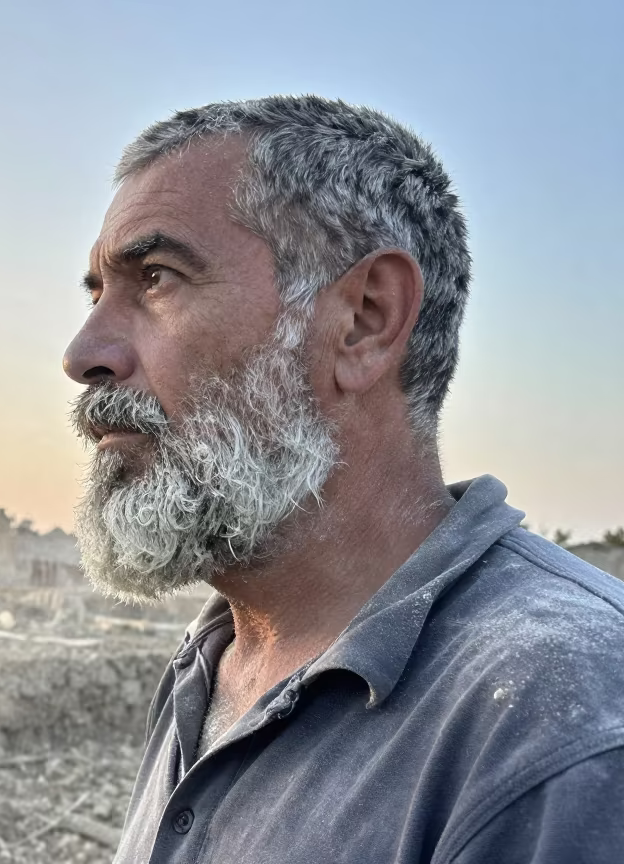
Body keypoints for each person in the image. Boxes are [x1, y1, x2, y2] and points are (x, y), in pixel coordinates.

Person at [62, 95, 624, 863]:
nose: (83, 353)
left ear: (363, 319)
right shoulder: (214, 661)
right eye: (98, 293)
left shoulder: (566, 727)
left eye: (155, 278)